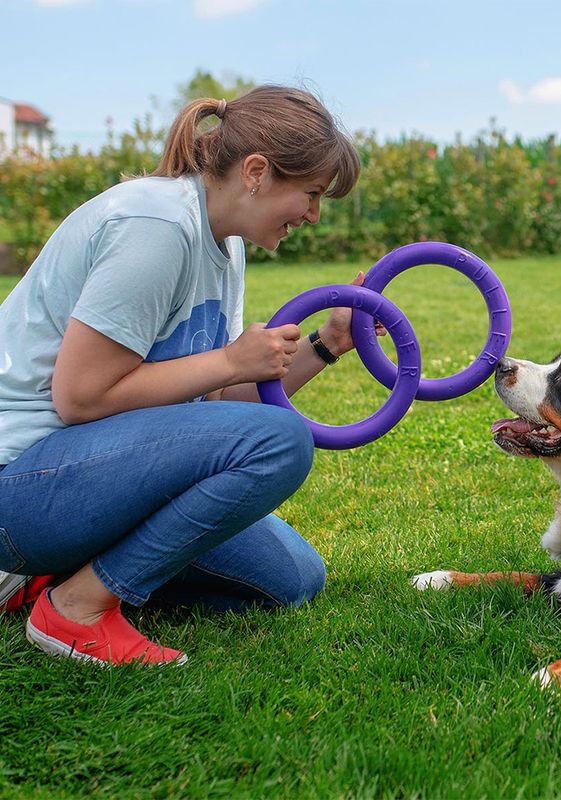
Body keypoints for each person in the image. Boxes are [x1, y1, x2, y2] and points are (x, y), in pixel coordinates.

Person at [0, 85, 365, 666]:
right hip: (20, 478)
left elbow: (217, 397)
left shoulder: (226, 244)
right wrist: (228, 359)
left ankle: (53, 571)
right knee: (283, 442)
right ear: (256, 172)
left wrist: (327, 344)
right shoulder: (156, 225)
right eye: (312, 193)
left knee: (292, 578)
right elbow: (80, 397)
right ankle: (76, 608)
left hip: (91, 471)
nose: (314, 215)